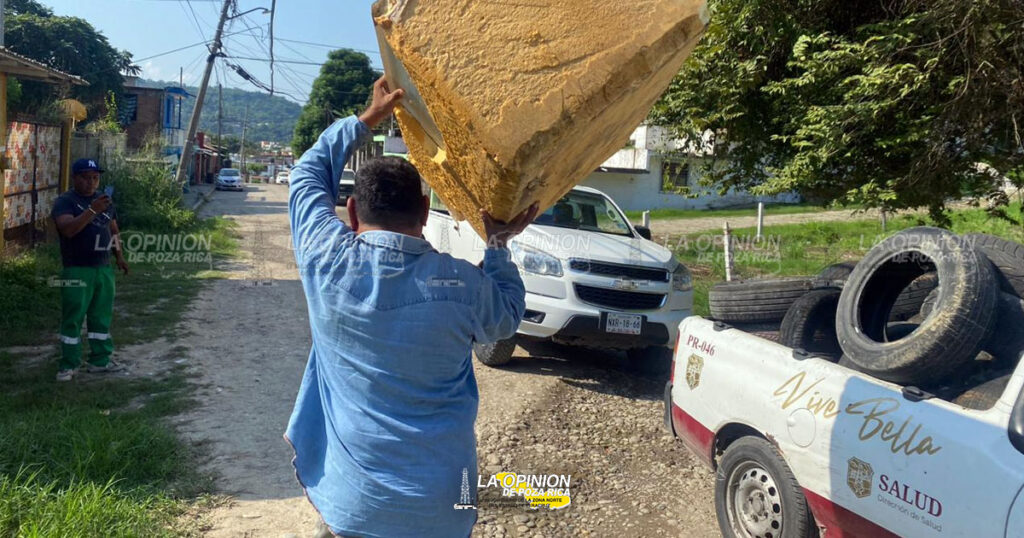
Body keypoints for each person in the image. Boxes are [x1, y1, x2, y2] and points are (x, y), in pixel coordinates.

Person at [286, 77, 539, 538]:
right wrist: (498, 244)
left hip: (353, 506)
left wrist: (367, 118)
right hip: (443, 506)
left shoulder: (324, 260)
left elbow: (306, 174)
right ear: (424, 211)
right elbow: (506, 317)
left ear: (352, 212)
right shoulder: (463, 285)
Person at [51, 158, 130, 382]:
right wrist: (92, 210)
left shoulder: (104, 200)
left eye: (95, 178)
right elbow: (68, 229)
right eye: (86, 178)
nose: (91, 182)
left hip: (103, 268)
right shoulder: (66, 201)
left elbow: (113, 229)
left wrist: (119, 256)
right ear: (75, 178)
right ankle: (68, 365)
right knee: (73, 318)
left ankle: (100, 361)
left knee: (101, 317)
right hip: (77, 269)